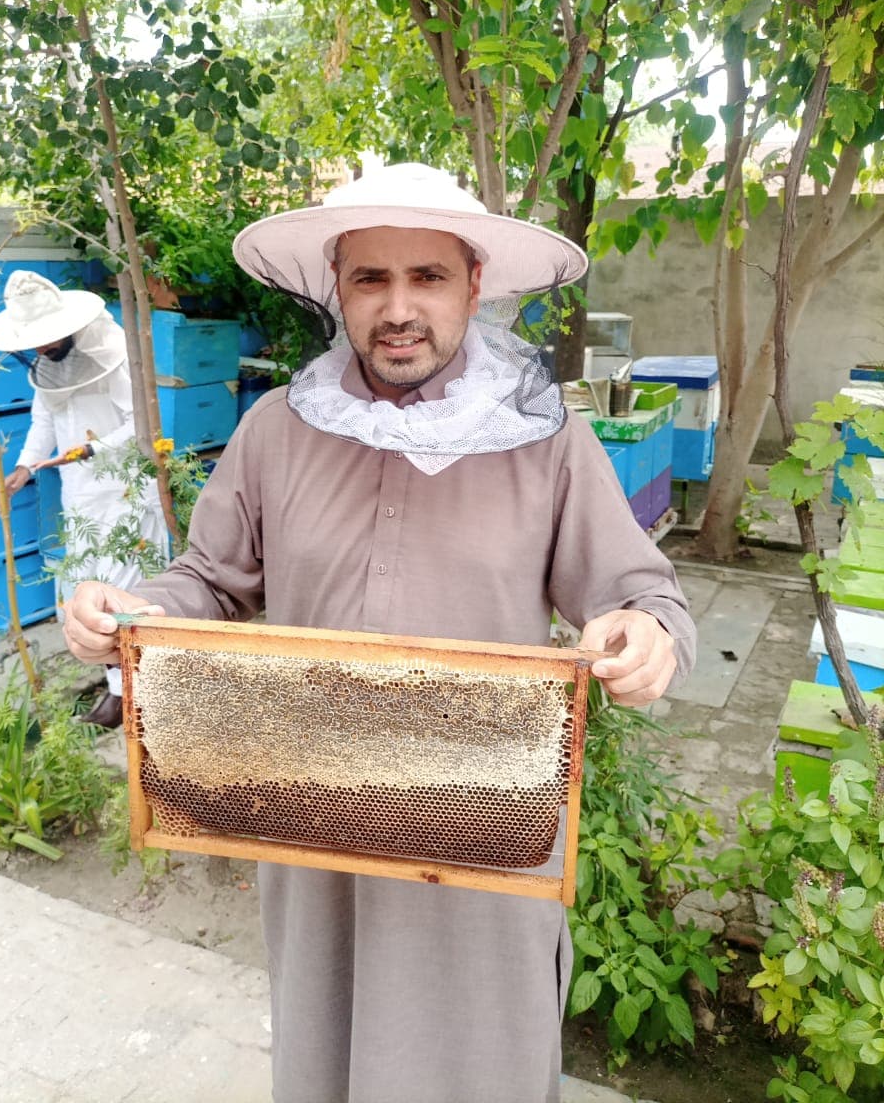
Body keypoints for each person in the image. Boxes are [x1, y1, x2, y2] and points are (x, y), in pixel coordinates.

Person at [62, 164, 696, 1103]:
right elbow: (210, 579)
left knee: (481, 1067)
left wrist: (645, 633)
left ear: (474, 285)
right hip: (314, 828)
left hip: (482, 835)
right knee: (326, 1050)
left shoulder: (548, 441)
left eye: (426, 277)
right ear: (337, 289)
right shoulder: (276, 430)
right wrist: (128, 613)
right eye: (371, 279)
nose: (399, 309)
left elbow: (642, 592)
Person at [0, 270, 168, 728]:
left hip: (124, 494)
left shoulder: (113, 354)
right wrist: (25, 466)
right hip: (80, 497)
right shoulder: (47, 366)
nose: (42, 349)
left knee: (125, 593)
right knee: (88, 592)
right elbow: (44, 421)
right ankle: (119, 687)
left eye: (48, 339)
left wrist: (90, 449)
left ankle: (133, 694)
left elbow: (141, 424)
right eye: (35, 343)